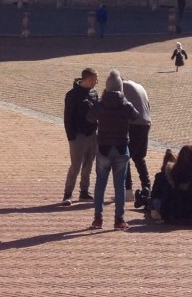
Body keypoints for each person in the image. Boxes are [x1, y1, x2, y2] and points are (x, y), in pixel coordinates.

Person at [87, 69, 138, 230]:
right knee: (120, 186)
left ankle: (98, 218)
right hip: (121, 148)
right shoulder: (125, 105)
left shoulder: (101, 105)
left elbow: (89, 117)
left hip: (103, 148)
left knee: (100, 184)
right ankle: (119, 219)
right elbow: (136, 116)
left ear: (107, 88)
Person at [61, 67, 99, 205]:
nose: (97, 82)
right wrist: (71, 137)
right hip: (78, 135)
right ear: (88, 79)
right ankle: (67, 193)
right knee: (75, 166)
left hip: (92, 134)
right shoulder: (72, 95)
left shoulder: (94, 93)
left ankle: (84, 192)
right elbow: (68, 118)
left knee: (88, 165)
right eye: (95, 79)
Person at [121, 75, 151, 203]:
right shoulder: (138, 86)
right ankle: (147, 187)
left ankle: (128, 191)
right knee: (139, 157)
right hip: (146, 123)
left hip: (134, 125)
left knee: (124, 157)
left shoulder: (122, 88)